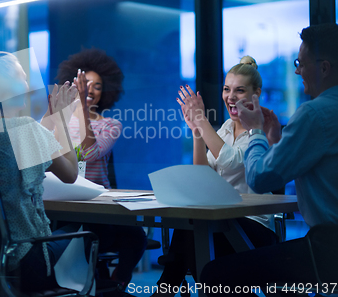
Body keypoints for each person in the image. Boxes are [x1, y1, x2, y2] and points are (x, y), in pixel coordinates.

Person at [199, 23, 338, 296]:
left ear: (324, 68)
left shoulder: (314, 114)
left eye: (301, 62)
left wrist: (255, 131)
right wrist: (274, 142)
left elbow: (261, 178)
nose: (297, 70)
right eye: (227, 89)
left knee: (213, 275)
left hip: (327, 248)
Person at [152, 56, 277, 296]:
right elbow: (204, 174)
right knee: (193, 229)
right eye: (226, 89)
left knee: (194, 237)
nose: (230, 96)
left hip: (253, 225)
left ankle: (165, 290)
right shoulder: (225, 129)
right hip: (221, 220)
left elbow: (229, 160)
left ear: (256, 94)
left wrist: (201, 119)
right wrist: (197, 133)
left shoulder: (260, 130)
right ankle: (168, 290)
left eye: (239, 90)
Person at [0, 44, 82, 292]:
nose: (30, 86)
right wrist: (62, 119)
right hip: (28, 256)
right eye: (24, 78)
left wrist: (47, 123)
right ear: (8, 87)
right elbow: (71, 173)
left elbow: (25, 148)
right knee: (91, 229)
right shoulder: (23, 129)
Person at [56, 48, 147, 287]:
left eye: (97, 86)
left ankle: (117, 281)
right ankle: (99, 282)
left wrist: (83, 111)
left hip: (98, 205)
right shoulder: (59, 122)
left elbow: (89, 153)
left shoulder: (110, 125)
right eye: (85, 83)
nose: (90, 90)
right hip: (64, 204)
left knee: (136, 237)